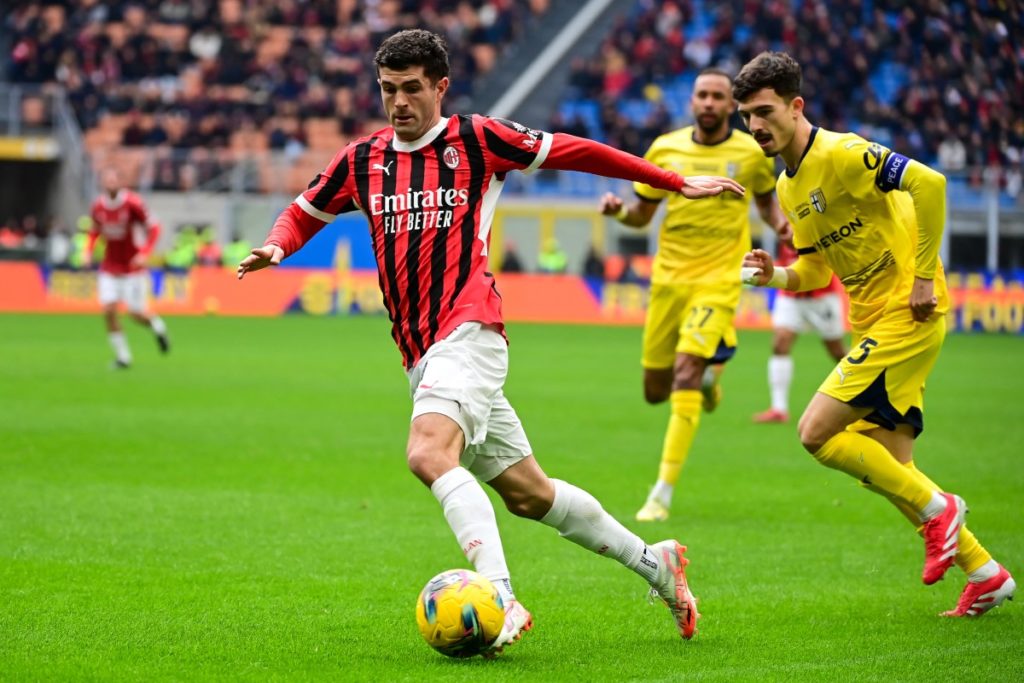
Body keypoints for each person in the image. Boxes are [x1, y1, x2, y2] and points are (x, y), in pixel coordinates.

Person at [238, 30, 745, 651]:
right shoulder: (363, 159)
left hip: (470, 328)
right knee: (531, 496)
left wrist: (670, 182)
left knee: (427, 454)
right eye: (388, 89)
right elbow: (303, 210)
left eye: (411, 89)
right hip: (421, 353)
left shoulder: (475, 140)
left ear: (439, 88)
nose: (398, 102)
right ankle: (655, 564)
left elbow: (577, 151)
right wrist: (275, 246)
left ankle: (499, 596)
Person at [735, 51, 1015, 617]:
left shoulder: (842, 152)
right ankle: (986, 572)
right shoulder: (788, 186)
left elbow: (930, 184)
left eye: (763, 111)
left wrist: (921, 275)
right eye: (747, 117)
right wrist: (776, 275)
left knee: (815, 432)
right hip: (875, 318)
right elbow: (815, 271)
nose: (755, 125)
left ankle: (941, 509)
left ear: (795, 106)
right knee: (890, 468)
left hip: (907, 312)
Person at [599, 67, 791, 522]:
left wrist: (781, 224)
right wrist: (618, 212)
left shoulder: (751, 151)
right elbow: (641, 217)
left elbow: (765, 200)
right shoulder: (665, 149)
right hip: (667, 280)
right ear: (692, 102)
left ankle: (661, 494)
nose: (708, 102)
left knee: (686, 370)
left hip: (721, 277)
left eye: (717, 96)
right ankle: (711, 384)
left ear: (731, 106)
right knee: (654, 391)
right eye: (701, 95)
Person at [752, 241, 848, 424]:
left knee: (837, 352)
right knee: (780, 343)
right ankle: (779, 408)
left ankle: (870, 395)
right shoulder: (783, 219)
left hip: (822, 297)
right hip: (790, 296)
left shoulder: (815, 219)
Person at [84, 168, 170, 368]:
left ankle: (158, 327)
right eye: (107, 180)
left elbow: (155, 228)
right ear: (103, 183)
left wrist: (145, 253)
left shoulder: (133, 203)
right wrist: (88, 250)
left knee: (136, 314)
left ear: (121, 183)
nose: (111, 183)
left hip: (132, 267)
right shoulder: (98, 206)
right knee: (108, 310)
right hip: (109, 266)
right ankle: (123, 357)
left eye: (114, 179)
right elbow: (94, 231)